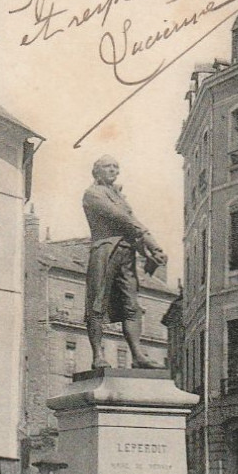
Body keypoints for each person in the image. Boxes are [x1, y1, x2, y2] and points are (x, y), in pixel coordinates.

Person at [82, 155, 168, 370]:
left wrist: (154, 248)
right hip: (104, 251)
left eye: (115, 166)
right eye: (107, 166)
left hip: (127, 253)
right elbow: (123, 219)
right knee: (97, 304)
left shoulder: (119, 196)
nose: (113, 170)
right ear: (97, 171)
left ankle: (138, 355)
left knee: (132, 304)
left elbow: (133, 223)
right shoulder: (93, 194)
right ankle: (98, 356)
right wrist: (151, 242)